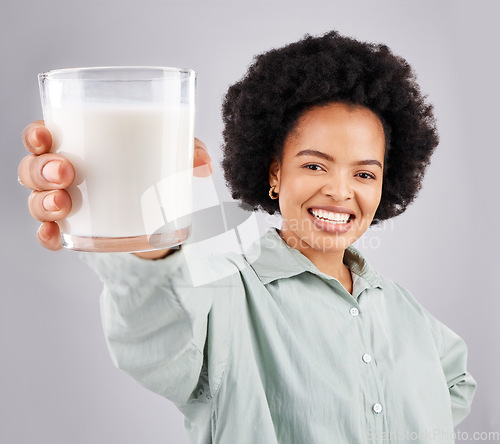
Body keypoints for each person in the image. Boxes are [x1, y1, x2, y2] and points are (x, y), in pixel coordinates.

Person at [18, 31, 476, 443]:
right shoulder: (224, 294)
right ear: (275, 173)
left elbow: (457, 384)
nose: (340, 191)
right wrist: (148, 239)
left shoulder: (405, 310)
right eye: (315, 165)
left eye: (364, 173)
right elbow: (153, 335)